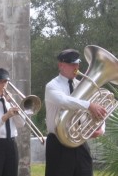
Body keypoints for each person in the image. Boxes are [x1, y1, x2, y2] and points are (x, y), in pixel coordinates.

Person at [44, 48, 107, 176]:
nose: (76, 67)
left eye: (77, 63)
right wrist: (89, 105)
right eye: (72, 64)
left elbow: (99, 108)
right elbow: (65, 101)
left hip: (79, 141)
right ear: (61, 65)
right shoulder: (52, 86)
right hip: (58, 142)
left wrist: (101, 128)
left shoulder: (81, 85)